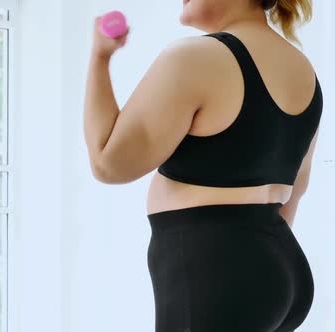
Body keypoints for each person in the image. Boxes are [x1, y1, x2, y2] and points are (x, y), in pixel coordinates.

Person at [83, 0, 321, 331]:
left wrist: (99, 58)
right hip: (282, 268)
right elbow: (294, 191)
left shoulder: (196, 58)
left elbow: (108, 164)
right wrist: (253, 269)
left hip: (212, 276)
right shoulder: (301, 68)